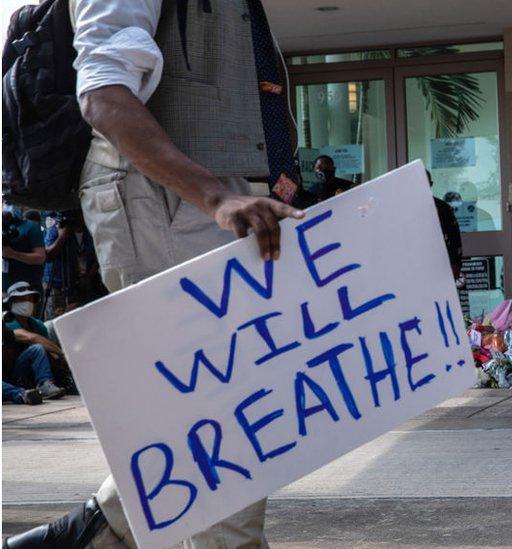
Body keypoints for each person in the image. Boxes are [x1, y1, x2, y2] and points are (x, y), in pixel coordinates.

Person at [3, 1, 306, 548]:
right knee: (226, 410)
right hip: (166, 197)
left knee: (227, 397)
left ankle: (98, 531)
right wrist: (213, 195)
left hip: (203, 195)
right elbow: (102, 94)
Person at [3, 286, 66, 400]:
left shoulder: (37, 324)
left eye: (29, 299)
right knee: (37, 347)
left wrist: (63, 363)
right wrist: (63, 353)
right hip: (13, 372)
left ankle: (45, 384)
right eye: (22, 299)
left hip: (31, 371)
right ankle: (25, 392)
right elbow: (31, 337)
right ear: (12, 303)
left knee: (41, 349)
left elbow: (50, 350)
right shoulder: (9, 321)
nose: (27, 303)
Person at [42, 211, 106, 319]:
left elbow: (100, 255)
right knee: (58, 319)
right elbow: (48, 256)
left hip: (82, 285)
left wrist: (88, 277)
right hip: (58, 285)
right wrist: (62, 236)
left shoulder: (90, 230)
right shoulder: (56, 230)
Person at [427, 171, 463, 280]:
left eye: (425, 182)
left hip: (439, 263)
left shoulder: (442, 208)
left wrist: (455, 264)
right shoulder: (403, 209)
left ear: (431, 184)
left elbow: (454, 238)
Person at [2, 205, 46, 293]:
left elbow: (40, 257)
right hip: (5, 288)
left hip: (27, 290)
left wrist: (13, 254)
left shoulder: (31, 226)